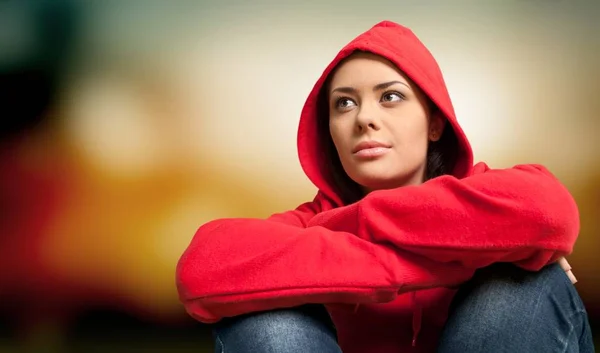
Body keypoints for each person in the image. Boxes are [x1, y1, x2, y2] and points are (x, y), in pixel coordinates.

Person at [176, 21, 594, 352]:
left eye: (390, 97)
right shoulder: (311, 221)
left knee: (522, 286)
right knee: (265, 316)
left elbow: (549, 211)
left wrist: (343, 237)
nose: (364, 119)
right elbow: (202, 267)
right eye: (344, 103)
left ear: (434, 122)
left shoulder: (487, 193)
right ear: (330, 132)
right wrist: (469, 255)